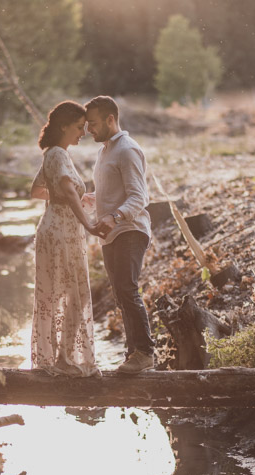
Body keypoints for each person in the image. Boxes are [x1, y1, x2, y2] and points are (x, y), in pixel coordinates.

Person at [29, 101, 103, 377]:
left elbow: (38, 191)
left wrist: (68, 198)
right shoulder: (58, 154)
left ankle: (61, 357)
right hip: (61, 231)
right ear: (63, 126)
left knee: (61, 293)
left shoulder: (53, 154)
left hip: (55, 227)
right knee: (72, 293)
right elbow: (68, 192)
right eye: (79, 127)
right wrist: (89, 224)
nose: (83, 133)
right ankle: (63, 358)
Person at [83, 96, 156, 374]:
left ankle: (145, 353)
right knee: (121, 295)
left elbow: (139, 196)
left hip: (130, 229)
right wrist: (92, 198)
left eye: (93, 123)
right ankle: (132, 353)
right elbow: (113, 191)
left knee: (127, 289)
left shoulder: (127, 149)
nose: (89, 129)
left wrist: (114, 217)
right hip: (112, 234)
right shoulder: (105, 151)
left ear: (110, 119)